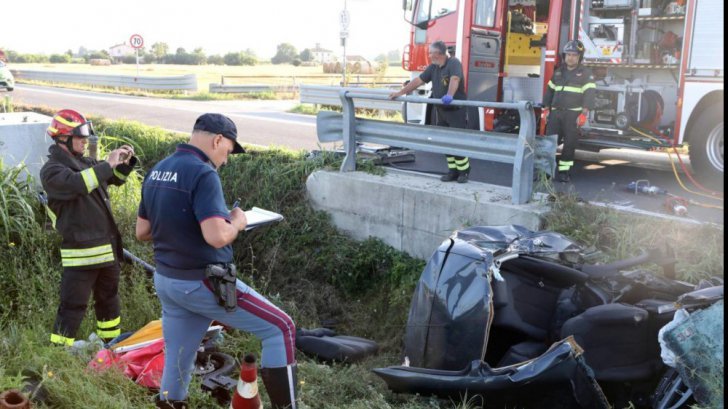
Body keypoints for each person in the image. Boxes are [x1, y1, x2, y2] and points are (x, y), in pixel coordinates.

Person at [135, 113, 297, 409]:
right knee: (281, 328)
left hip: (168, 281)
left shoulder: (159, 168)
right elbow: (216, 237)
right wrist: (237, 221)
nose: (226, 159)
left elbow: (142, 231)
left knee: (179, 358)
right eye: (228, 150)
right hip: (202, 282)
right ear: (217, 139)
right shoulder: (203, 173)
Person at [40, 109, 136, 347]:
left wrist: (125, 161)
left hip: (106, 250)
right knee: (73, 306)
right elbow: (79, 184)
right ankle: (60, 351)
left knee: (109, 301)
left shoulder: (85, 162)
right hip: (81, 255)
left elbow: (114, 178)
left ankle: (110, 344)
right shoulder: (52, 171)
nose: (85, 141)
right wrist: (107, 163)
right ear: (63, 138)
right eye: (80, 137)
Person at [389, 40, 471, 183]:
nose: (429, 55)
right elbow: (417, 81)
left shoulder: (453, 63)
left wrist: (450, 95)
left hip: (455, 111)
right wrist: (401, 93)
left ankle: (464, 171)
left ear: (439, 53)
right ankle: (453, 171)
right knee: (445, 142)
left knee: (456, 142)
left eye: (430, 53)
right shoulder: (433, 67)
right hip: (442, 111)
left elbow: (455, 79)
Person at [542, 39, 596, 183]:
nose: (570, 58)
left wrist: (584, 114)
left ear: (579, 57)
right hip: (555, 114)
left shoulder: (585, 74)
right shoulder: (558, 72)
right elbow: (550, 91)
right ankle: (546, 172)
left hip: (573, 115)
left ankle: (564, 173)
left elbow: (590, 94)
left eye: (574, 55)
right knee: (550, 143)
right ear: (564, 56)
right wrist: (546, 109)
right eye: (568, 54)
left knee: (569, 145)